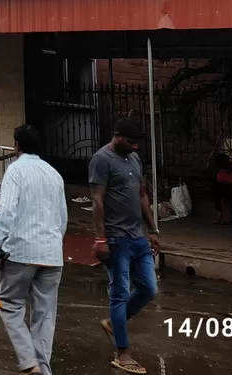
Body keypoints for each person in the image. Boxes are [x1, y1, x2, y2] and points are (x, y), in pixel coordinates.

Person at [0, 125, 68, 375]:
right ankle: (43, 369)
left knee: (10, 304)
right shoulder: (54, 174)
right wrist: (53, 243)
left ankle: (29, 362)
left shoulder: (15, 171)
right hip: (52, 254)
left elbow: (7, 213)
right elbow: (62, 218)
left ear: (17, 146)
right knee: (44, 316)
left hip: (20, 252)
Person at [89, 117, 160, 375]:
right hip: (116, 238)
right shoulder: (101, 160)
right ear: (117, 137)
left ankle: (113, 323)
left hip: (138, 236)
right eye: (131, 142)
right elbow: (97, 201)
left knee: (149, 288)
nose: (135, 147)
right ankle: (123, 353)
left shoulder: (134, 158)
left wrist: (152, 229)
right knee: (119, 293)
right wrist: (101, 239)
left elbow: (141, 194)